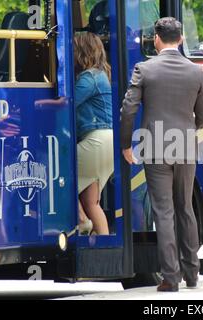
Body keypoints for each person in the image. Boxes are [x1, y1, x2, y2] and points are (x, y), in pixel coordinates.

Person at [120, 17, 203, 292]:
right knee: (185, 208)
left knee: (164, 211)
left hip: (155, 146)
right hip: (184, 145)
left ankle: (171, 278)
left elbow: (128, 109)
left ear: (156, 40)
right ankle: (192, 273)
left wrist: (126, 144)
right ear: (181, 39)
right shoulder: (196, 71)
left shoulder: (144, 69)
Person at [73, 32, 114, 235]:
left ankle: (81, 221)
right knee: (91, 203)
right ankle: (105, 254)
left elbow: (68, 103)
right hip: (107, 142)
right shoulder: (101, 74)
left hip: (96, 141)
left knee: (57, 176)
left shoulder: (89, 77)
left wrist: (35, 105)